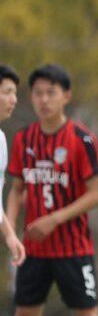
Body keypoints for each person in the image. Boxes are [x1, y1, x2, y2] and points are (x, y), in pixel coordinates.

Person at [5, 64, 98, 316]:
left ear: (66, 95)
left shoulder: (81, 139)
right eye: (38, 93)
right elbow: (17, 188)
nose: (44, 99)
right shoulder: (23, 139)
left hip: (74, 249)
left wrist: (54, 219)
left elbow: (96, 193)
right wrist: (12, 228)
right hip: (34, 251)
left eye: (51, 92)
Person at [0, 65, 26, 270]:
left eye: (15, 93)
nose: (14, 100)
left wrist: (9, 235)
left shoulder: (0, 140)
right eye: (7, 92)